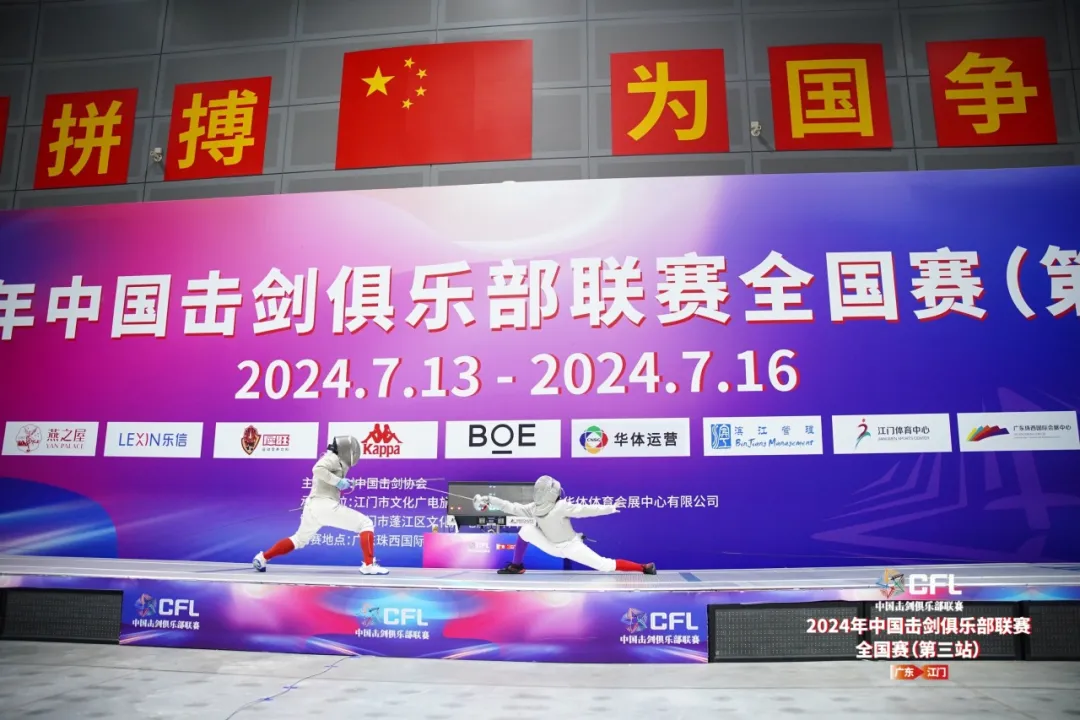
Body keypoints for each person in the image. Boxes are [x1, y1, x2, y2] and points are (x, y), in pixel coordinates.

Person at [253, 435, 389, 575]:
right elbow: (317, 469)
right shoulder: (333, 458)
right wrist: (338, 481)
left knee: (299, 539)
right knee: (365, 524)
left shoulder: (334, 459)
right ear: (345, 449)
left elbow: (323, 478)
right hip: (324, 505)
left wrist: (340, 482)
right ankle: (368, 565)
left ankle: (262, 558)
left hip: (313, 506)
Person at [474, 475, 655, 575]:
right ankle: (517, 566)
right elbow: (511, 507)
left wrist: (609, 508)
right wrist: (489, 500)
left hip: (571, 547)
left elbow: (585, 510)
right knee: (526, 530)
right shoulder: (534, 508)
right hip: (552, 546)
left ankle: (643, 568)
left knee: (604, 565)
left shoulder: (561, 507)